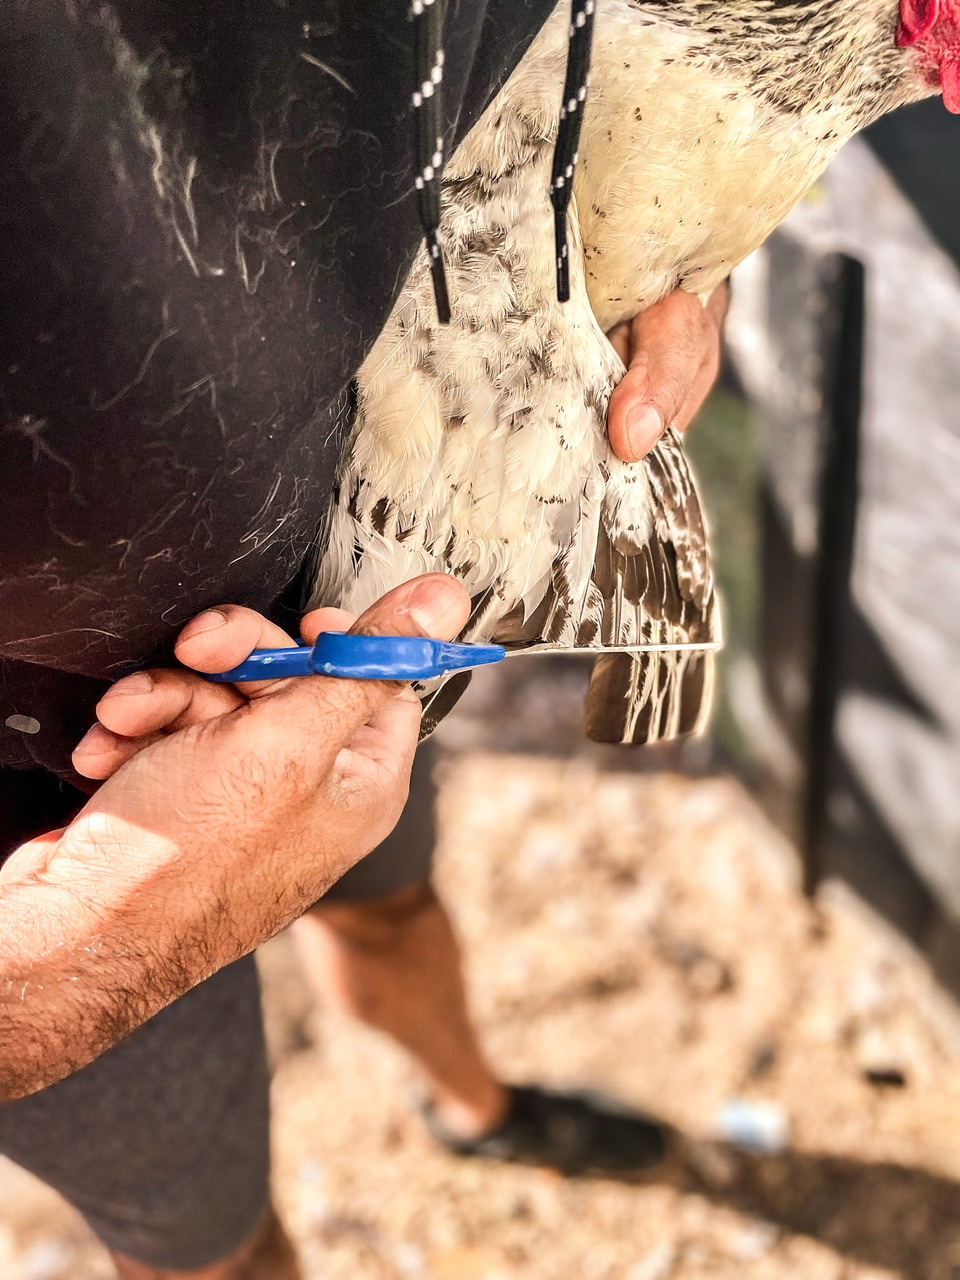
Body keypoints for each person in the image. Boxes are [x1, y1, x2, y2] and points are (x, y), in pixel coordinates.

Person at [0, 2, 727, 1276]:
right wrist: (66, 960)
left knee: (393, 909)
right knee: (209, 1241)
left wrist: (692, 233)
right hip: (46, 848)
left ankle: (475, 1109)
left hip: (349, 583)